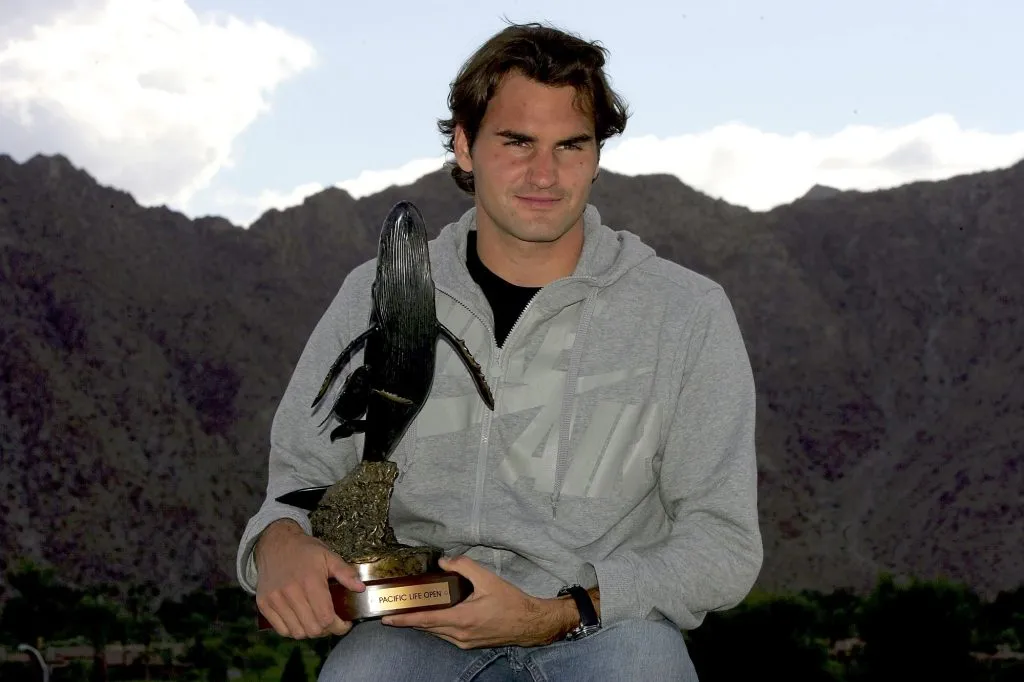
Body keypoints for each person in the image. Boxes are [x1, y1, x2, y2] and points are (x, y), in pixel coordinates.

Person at [235, 21, 762, 681]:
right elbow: (300, 475)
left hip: (605, 629)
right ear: (463, 145)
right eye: (517, 143)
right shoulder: (381, 295)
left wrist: (557, 612)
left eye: (571, 145)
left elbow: (722, 543)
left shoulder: (684, 313)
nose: (546, 174)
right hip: (417, 628)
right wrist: (280, 544)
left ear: (597, 155)